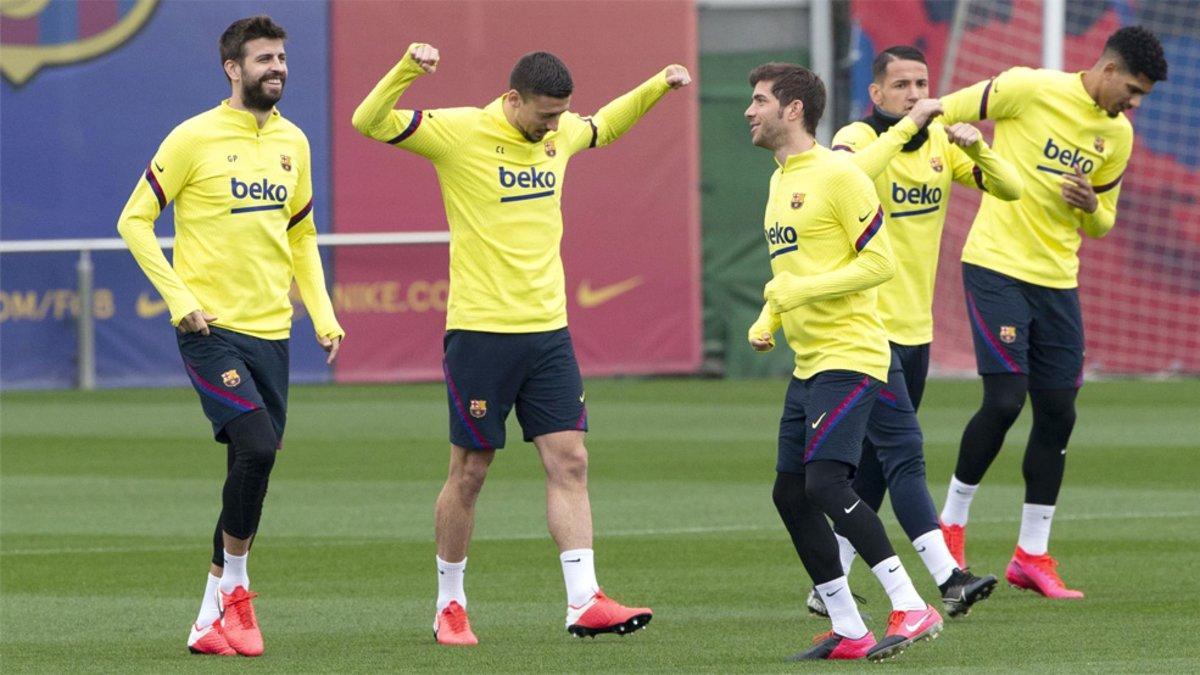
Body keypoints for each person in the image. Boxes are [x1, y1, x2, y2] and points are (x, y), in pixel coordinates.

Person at [351, 43, 689, 645]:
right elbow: (369, 121)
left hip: (548, 332)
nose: (553, 127)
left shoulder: (560, 136)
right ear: (512, 99)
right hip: (481, 332)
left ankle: (584, 599)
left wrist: (657, 84)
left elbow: (603, 126)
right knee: (471, 471)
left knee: (571, 460)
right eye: (543, 115)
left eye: (560, 115)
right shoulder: (457, 132)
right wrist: (407, 67)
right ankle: (449, 604)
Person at [117, 16, 344, 657]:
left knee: (250, 468)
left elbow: (301, 235)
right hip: (210, 329)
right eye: (264, 59)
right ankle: (239, 597)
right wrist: (180, 300)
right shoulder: (193, 137)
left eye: (281, 57)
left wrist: (322, 316)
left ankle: (206, 621)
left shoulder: (293, 143)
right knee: (258, 448)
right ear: (232, 69)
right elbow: (134, 220)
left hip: (273, 332)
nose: (277, 67)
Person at [935, 26, 1167, 598]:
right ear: (1107, 69)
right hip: (996, 266)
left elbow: (1103, 220)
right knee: (1006, 399)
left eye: (1141, 98)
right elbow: (939, 113)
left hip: (1058, 281)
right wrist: (962, 162)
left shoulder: (1118, 135)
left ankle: (1031, 555)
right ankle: (950, 527)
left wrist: (1092, 206)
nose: (1133, 104)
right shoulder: (1027, 88)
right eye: (1132, 90)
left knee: (1059, 412)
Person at [804, 45, 1024, 619]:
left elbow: (1009, 191)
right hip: (867, 330)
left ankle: (828, 582)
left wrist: (981, 148)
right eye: (900, 84)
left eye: (921, 83)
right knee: (903, 457)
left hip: (915, 330)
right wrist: (907, 128)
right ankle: (947, 577)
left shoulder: (941, 146)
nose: (913, 92)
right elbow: (851, 174)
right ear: (876, 95)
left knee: (874, 467)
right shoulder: (856, 137)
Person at [745, 62, 941, 661]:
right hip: (809, 361)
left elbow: (880, 263)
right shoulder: (781, 181)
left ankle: (912, 605)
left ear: (794, 109)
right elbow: (790, 277)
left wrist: (798, 295)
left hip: (852, 353)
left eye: (759, 101)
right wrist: (770, 318)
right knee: (789, 493)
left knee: (827, 482)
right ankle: (849, 627)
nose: (749, 111)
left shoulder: (840, 174)